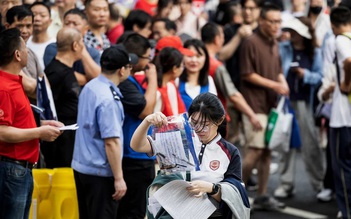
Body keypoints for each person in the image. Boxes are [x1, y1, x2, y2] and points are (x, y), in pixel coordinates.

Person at [130, 92, 250, 218]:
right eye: (194, 122)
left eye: (205, 124)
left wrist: (211, 188)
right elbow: (137, 146)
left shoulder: (230, 152)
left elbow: (236, 193)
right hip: (171, 210)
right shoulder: (177, 136)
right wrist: (147, 122)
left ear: (219, 120)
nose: (198, 129)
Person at [0, 28, 62, 219]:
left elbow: (17, 120)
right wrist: (39, 132)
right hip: (11, 168)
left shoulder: (15, 82)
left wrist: (43, 123)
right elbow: (2, 131)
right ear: (17, 54)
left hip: (22, 169)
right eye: (25, 47)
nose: (28, 51)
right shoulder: (4, 88)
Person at [72, 45, 134, 219]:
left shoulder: (91, 86)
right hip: (99, 173)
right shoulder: (108, 99)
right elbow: (111, 141)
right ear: (122, 70)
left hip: (82, 167)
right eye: (130, 67)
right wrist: (119, 178)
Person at [239, 3, 289, 210]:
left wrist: (282, 82)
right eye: (272, 21)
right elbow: (247, 74)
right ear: (262, 21)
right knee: (255, 150)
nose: (277, 25)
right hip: (254, 104)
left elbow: (277, 70)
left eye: (279, 21)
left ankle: (262, 195)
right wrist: (275, 84)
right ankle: (234, 191)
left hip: (271, 105)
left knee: (267, 151)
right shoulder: (250, 42)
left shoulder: (274, 42)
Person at [275, 17, 324, 198]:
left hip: (305, 102)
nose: (291, 34)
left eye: (295, 31)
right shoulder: (283, 47)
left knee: (310, 144)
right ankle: (286, 184)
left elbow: (320, 76)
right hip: (286, 101)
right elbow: (277, 69)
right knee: (284, 143)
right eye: (290, 31)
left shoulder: (315, 53)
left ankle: (319, 183)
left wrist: (306, 75)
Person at [116, 33, 158, 219]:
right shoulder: (125, 83)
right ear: (133, 59)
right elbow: (146, 111)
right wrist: (153, 77)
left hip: (140, 156)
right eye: (146, 57)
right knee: (133, 211)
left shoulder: (131, 82)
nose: (148, 62)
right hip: (133, 157)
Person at [42, 28, 83, 168]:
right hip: (59, 143)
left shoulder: (67, 69)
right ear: (75, 45)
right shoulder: (55, 73)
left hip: (70, 138)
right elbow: (47, 108)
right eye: (82, 42)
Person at [329, 6, 351, 219]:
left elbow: (349, 61)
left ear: (332, 24)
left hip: (343, 117)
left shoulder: (340, 40)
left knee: (342, 169)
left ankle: (346, 212)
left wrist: (345, 84)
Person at [44, 8, 101, 86]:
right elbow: (59, 74)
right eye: (67, 23)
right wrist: (89, 80)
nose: (70, 27)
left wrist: (80, 46)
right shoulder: (53, 48)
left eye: (75, 24)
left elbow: (98, 77)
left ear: (86, 29)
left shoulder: (93, 52)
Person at [178, 39, 217, 110]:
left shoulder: (209, 80)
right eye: (189, 56)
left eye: (198, 56)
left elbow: (214, 109)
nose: (194, 60)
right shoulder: (176, 81)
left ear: (206, 58)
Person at [154, 47, 187, 116]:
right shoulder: (157, 93)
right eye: (182, 66)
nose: (183, 69)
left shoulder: (171, 85)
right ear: (175, 68)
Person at [27, 2, 56, 71]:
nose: (37, 18)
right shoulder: (23, 43)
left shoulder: (55, 44)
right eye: (33, 15)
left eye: (42, 15)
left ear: (50, 21)